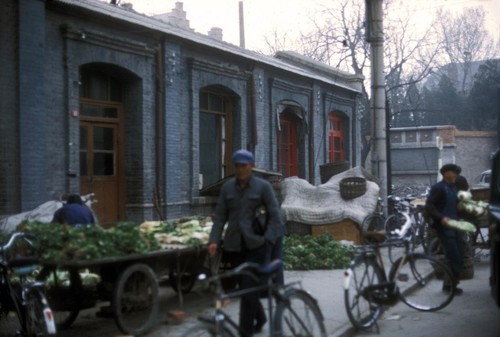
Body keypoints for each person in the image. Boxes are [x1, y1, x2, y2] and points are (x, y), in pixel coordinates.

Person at [208, 149, 285, 337]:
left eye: (244, 165)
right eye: (237, 166)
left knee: (248, 290)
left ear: (251, 166)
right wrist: (214, 240)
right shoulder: (227, 188)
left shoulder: (262, 187)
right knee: (246, 288)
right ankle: (261, 318)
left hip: (257, 245)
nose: (240, 169)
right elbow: (219, 218)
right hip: (235, 246)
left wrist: (267, 239)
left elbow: (275, 216)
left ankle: (245, 332)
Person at [425, 163, 464, 295]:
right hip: (444, 227)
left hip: (455, 225)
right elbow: (429, 206)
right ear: (446, 173)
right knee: (452, 255)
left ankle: (453, 284)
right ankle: (449, 286)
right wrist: (441, 217)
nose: (456, 175)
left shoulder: (453, 188)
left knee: (458, 254)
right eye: (454, 172)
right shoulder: (439, 188)